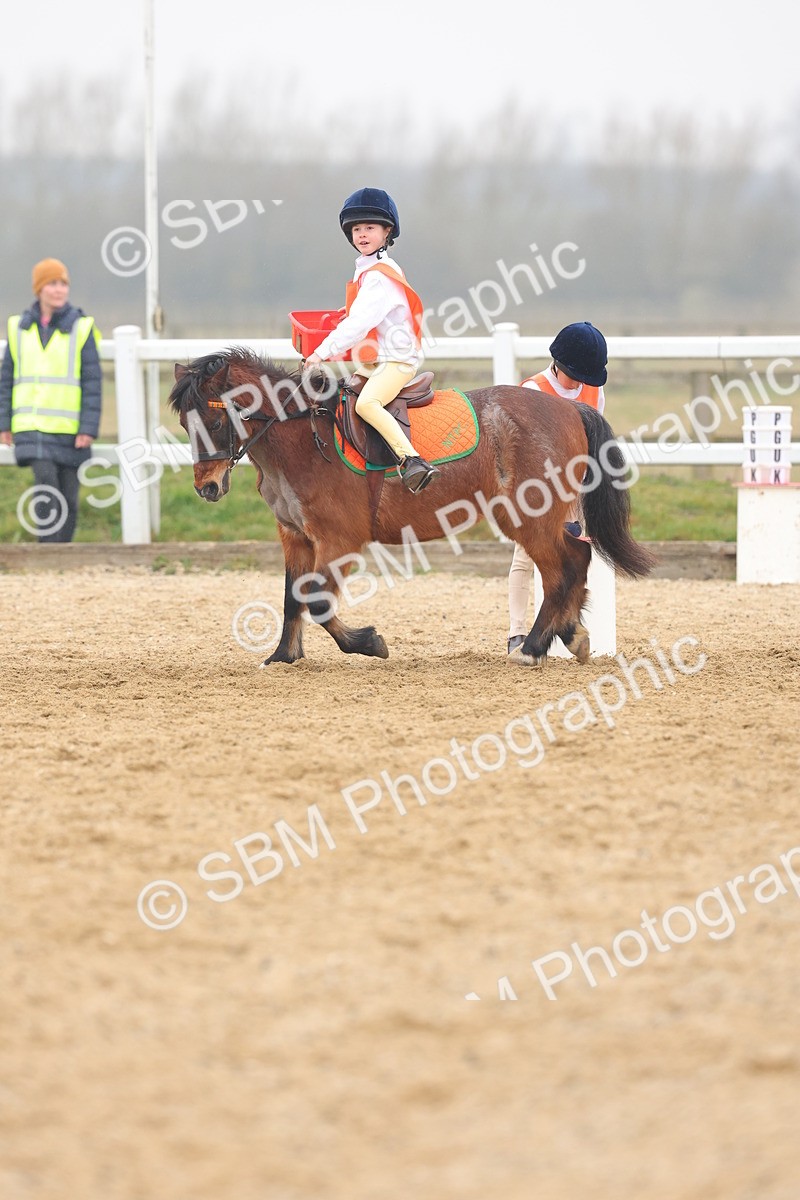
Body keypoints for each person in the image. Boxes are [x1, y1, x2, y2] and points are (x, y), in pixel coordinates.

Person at [304, 187, 439, 493]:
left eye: (369, 228)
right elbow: (367, 311)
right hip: (378, 359)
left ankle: (412, 461)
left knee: (367, 404)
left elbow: (360, 323)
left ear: (386, 231)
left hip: (395, 361)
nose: (361, 235)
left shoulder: (378, 276)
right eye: (356, 229)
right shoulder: (372, 269)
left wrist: (319, 354)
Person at [507, 321, 608, 654]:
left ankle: (569, 623)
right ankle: (517, 633)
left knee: (577, 556)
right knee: (526, 556)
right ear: (560, 365)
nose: (581, 384)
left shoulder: (594, 391)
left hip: (577, 482)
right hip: (536, 486)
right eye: (576, 376)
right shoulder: (533, 393)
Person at [0, 258, 102, 543]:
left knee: (70, 495)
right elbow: (6, 380)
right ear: (39, 289)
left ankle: (62, 552)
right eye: (52, 284)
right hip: (30, 427)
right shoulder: (17, 328)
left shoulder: (82, 328)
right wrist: (4, 423)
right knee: (45, 483)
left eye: (63, 284)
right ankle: (46, 550)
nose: (59, 290)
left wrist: (87, 428)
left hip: (69, 429)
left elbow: (93, 382)